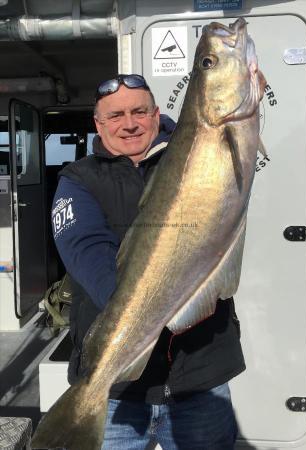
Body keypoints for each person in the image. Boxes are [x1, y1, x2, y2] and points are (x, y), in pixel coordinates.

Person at [51, 74, 245, 450]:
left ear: (157, 114)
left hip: (201, 372)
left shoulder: (198, 158)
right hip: (117, 389)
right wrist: (152, 308)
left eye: (139, 111)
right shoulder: (77, 180)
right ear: (98, 124)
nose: (129, 123)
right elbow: (86, 250)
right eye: (116, 115)